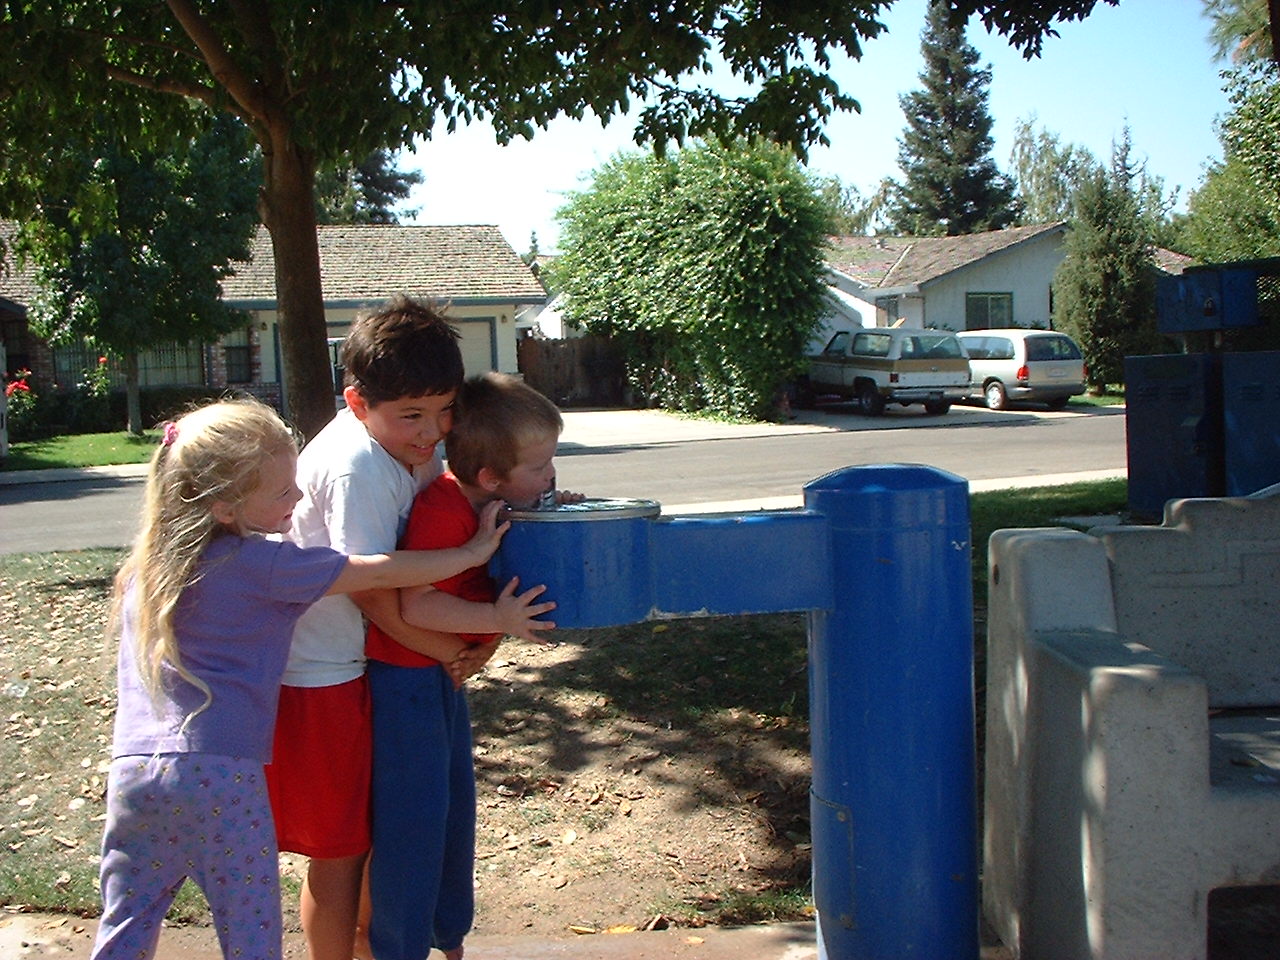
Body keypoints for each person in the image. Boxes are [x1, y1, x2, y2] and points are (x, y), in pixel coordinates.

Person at [90, 398, 511, 960]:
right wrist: (471, 552)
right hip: (223, 777)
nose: (297, 499)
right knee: (249, 929)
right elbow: (380, 570)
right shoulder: (265, 565)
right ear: (222, 506)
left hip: (133, 777)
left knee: (127, 922)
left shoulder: (142, 571)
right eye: (284, 491)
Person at [264, 298, 553, 960]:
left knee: (381, 833)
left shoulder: (406, 446)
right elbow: (367, 585)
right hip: (324, 672)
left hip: (373, 664)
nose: (431, 433)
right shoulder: (357, 465)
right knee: (341, 849)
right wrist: (453, 649)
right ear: (358, 402)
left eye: (444, 411)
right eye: (413, 417)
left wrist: (467, 646)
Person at [364, 372, 578, 960]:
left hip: (438, 679)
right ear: (490, 476)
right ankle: (399, 948)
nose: (551, 475)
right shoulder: (444, 509)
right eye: (540, 466)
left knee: (455, 815)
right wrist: (500, 623)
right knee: (414, 827)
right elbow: (419, 601)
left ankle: (448, 938)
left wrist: (556, 511)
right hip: (402, 683)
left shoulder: (494, 501)